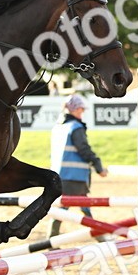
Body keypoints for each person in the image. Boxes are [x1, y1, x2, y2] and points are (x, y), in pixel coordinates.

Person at [49, 94, 108, 237]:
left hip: (60, 175)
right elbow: (84, 149)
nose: (82, 112)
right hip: (74, 176)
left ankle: (52, 237)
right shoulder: (75, 127)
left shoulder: (58, 127)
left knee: (72, 206)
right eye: (80, 109)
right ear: (74, 109)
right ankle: (98, 236)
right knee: (74, 207)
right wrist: (99, 167)